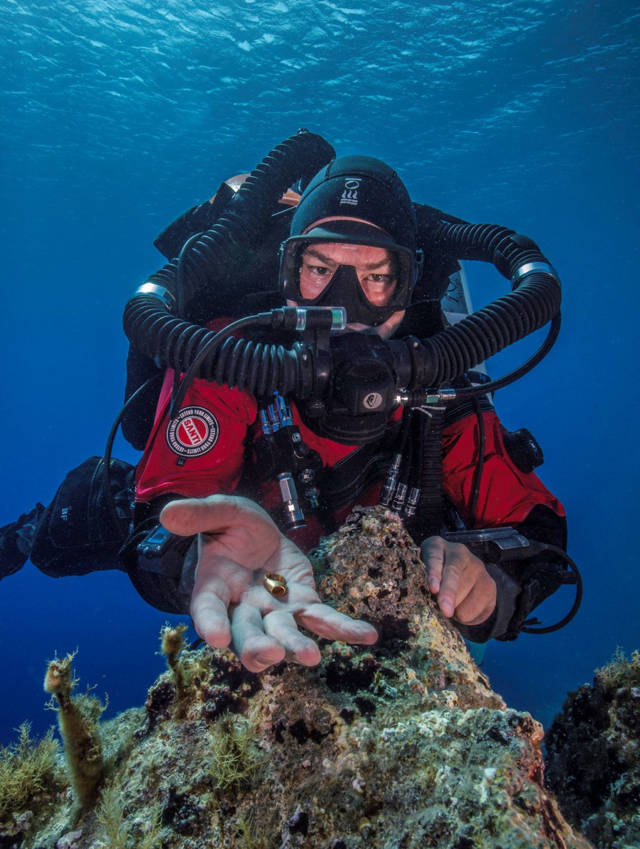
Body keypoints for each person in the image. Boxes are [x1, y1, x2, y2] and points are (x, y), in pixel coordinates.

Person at [0, 142, 571, 674]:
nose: (344, 306)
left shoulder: (442, 393)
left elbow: (538, 534)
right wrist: (201, 558)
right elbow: (172, 514)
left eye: (376, 277)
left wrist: (493, 582)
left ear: (408, 288)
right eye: (319, 270)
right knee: (62, 541)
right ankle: (29, 533)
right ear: (286, 273)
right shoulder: (230, 358)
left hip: (342, 583)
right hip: (262, 577)